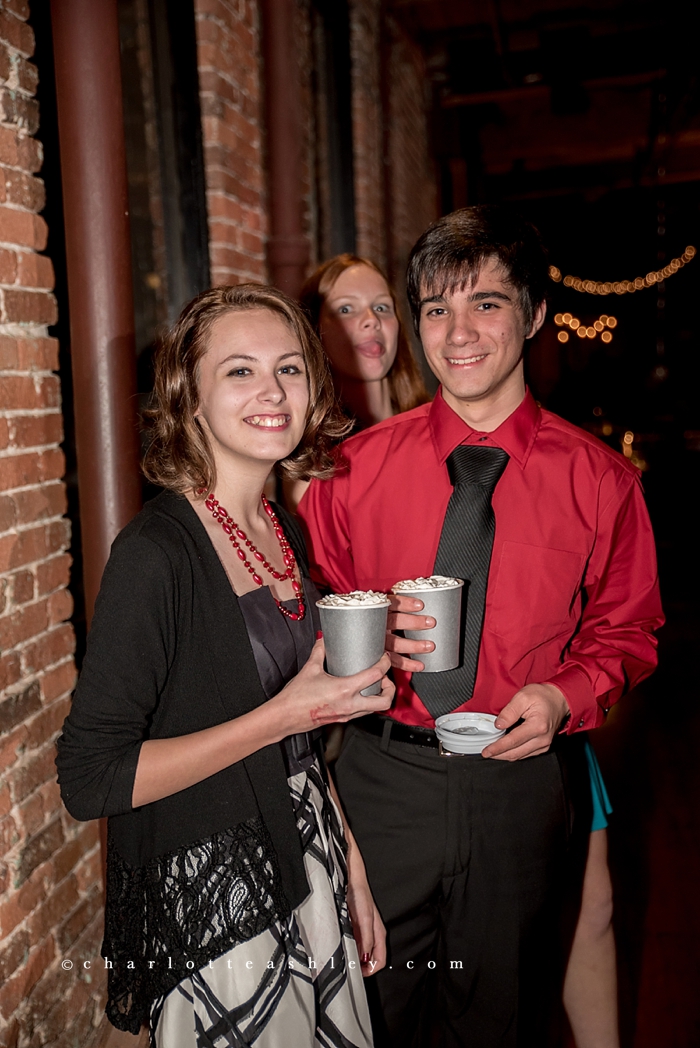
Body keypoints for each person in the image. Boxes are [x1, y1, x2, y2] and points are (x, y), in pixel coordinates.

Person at [298, 207, 663, 1047]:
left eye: (486, 305)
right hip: (384, 784)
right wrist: (360, 648)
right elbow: (311, 611)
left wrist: (565, 695)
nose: (458, 334)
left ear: (535, 314)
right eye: (435, 309)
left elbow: (629, 628)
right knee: (368, 1012)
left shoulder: (602, 481)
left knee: (500, 1018)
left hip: (519, 783)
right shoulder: (352, 473)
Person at [55, 284, 394, 1047]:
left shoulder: (282, 528)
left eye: (290, 369)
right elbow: (89, 777)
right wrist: (284, 715)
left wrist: (352, 869)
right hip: (218, 880)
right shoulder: (156, 554)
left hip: (308, 848)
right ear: (191, 399)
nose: (272, 392)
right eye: (239, 371)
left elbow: (303, 738)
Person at [283, 254, 430, 513]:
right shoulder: (312, 465)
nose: (371, 319)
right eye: (346, 309)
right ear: (315, 332)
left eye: (382, 307)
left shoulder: (438, 422)